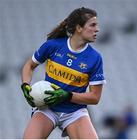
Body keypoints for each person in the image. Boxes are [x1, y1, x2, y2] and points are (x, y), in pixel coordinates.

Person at [21, 7, 106, 139]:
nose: (97, 29)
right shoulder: (53, 46)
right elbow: (29, 65)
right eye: (93, 25)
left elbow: (95, 97)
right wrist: (25, 85)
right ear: (79, 28)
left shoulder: (95, 58)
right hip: (47, 107)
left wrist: (67, 96)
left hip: (75, 112)